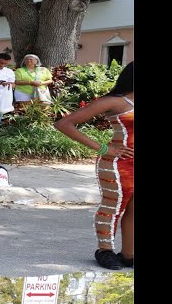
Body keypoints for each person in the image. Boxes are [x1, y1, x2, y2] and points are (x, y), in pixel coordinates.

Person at [54, 62, 134, 270]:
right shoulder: (114, 102)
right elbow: (64, 124)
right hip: (118, 163)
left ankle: (128, 255)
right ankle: (104, 250)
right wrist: (102, 148)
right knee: (113, 206)